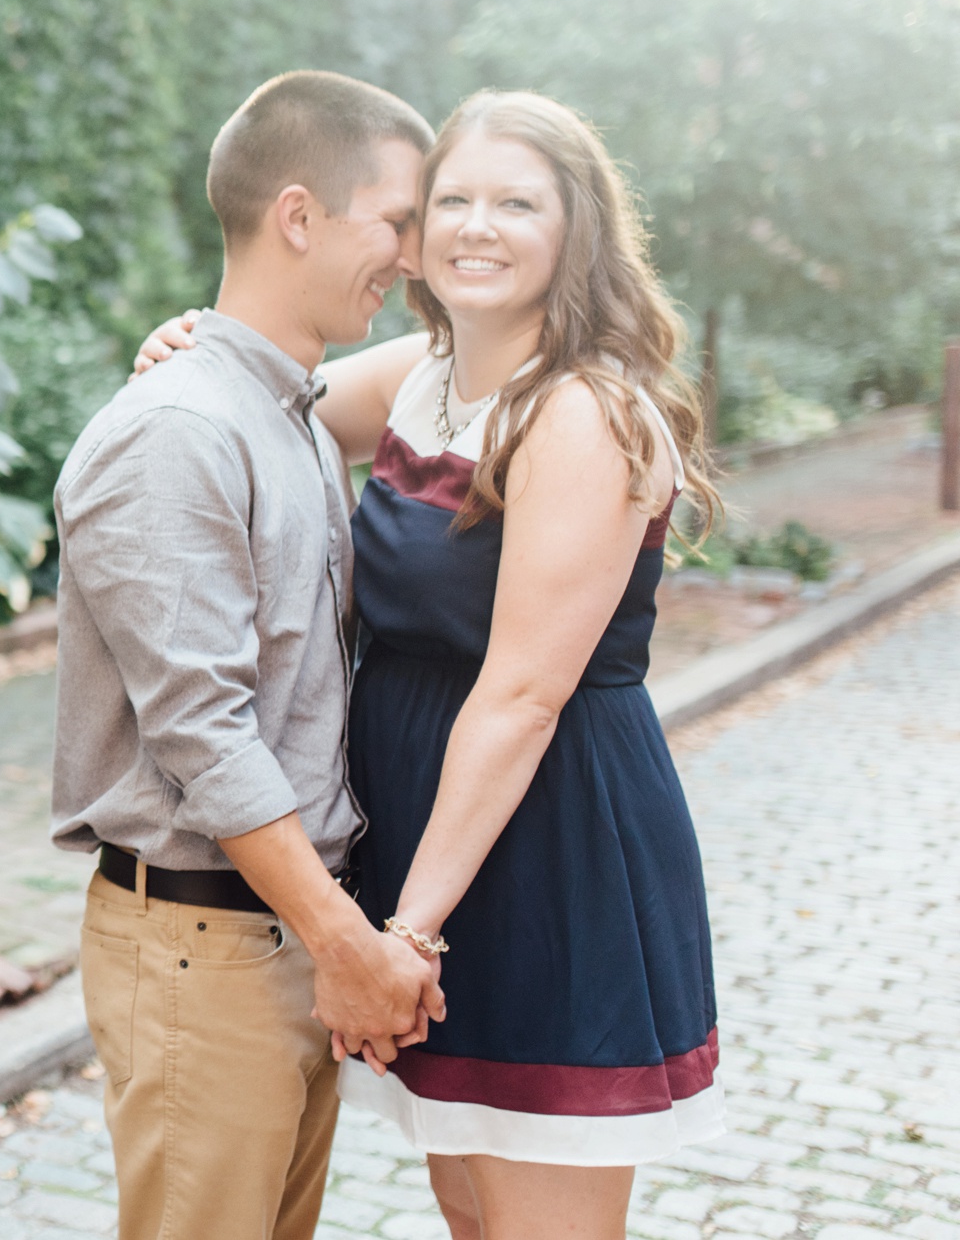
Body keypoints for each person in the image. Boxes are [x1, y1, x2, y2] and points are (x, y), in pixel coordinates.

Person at [133, 89, 726, 1240]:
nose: (475, 225)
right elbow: (265, 391)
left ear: (576, 231)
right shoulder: (425, 370)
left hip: (537, 842)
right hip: (426, 838)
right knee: (467, 1203)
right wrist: (184, 342)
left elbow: (520, 692)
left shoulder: (580, 412)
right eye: (449, 198)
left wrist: (404, 933)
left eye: (516, 201)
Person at [52, 70, 446, 1240]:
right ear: (295, 215)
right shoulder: (178, 430)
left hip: (274, 935)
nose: (411, 256)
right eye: (396, 221)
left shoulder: (286, 415)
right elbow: (202, 735)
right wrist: (349, 947)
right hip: (204, 949)